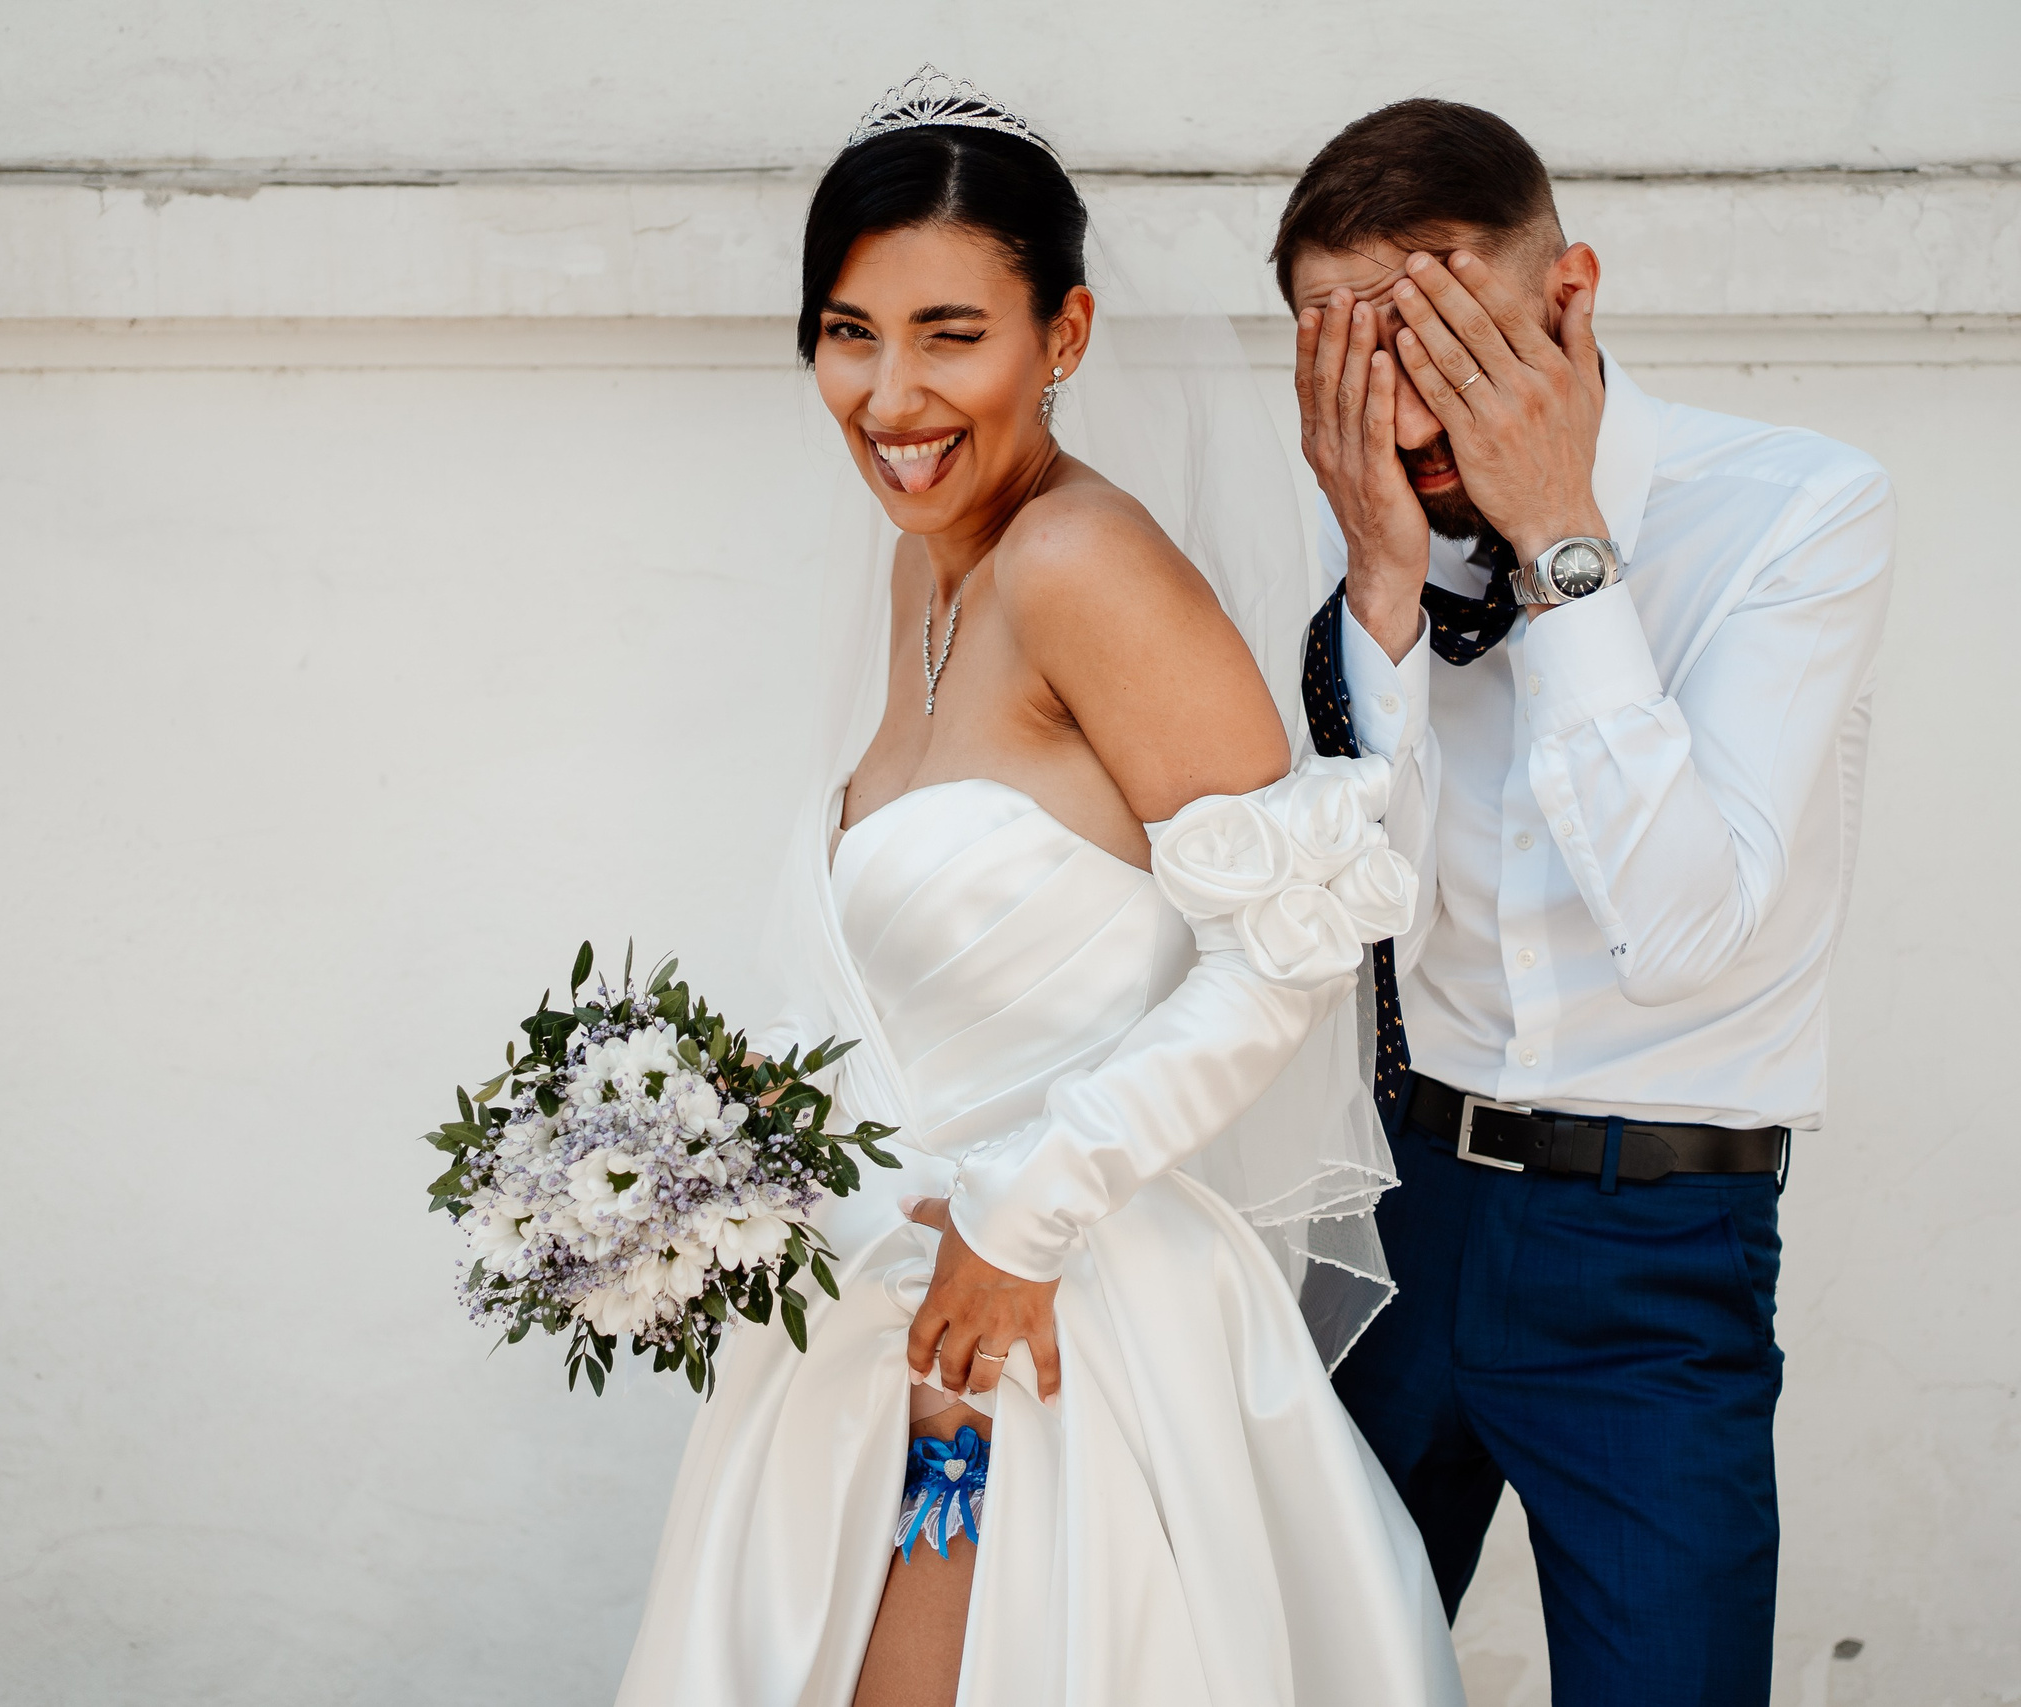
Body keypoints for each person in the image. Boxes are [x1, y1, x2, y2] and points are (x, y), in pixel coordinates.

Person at [614, 68, 1462, 1707]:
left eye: (950, 332)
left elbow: (1286, 951)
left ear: (1063, 336)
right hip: (897, 1323)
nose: (889, 393)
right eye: (848, 332)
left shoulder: (1086, 565)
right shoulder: (925, 568)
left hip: (1056, 1320)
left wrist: (1028, 1208)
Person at [1279, 99, 1895, 1706]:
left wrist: (1562, 540)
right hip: (1398, 1207)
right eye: (1354, 358)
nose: (1407, 410)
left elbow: (1685, 925)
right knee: (1300, 1672)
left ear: (1569, 298)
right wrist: (1383, 589)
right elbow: (1348, 904)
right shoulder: (1379, 524)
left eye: (1443, 342)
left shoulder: (1795, 511)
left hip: (1653, 1247)